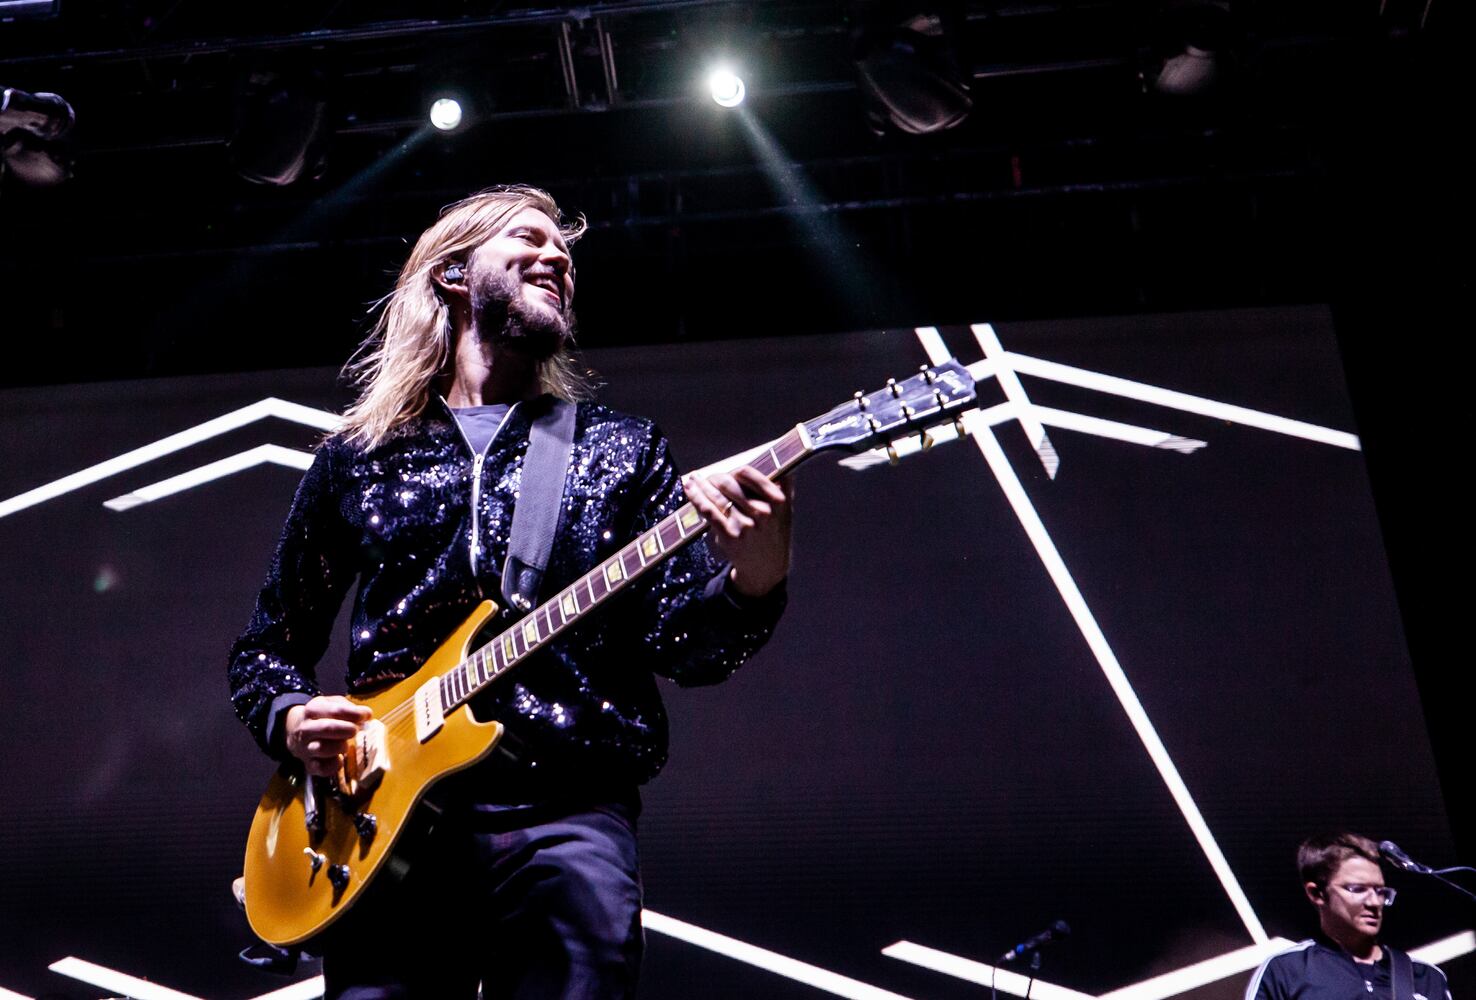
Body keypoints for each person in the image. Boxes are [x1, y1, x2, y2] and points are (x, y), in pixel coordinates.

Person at [227, 184, 792, 999]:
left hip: (566, 813)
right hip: (377, 824)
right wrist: (291, 718)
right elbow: (267, 647)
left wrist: (756, 575)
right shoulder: (359, 456)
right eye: (529, 238)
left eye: (565, 250)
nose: (558, 255)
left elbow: (686, 647)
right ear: (454, 274)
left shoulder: (621, 449)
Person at [1246, 832, 1453, 1000]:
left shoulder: (1426, 977)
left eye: (1380, 891)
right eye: (1357, 889)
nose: (1374, 902)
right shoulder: (1285, 971)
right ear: (1316, 893)